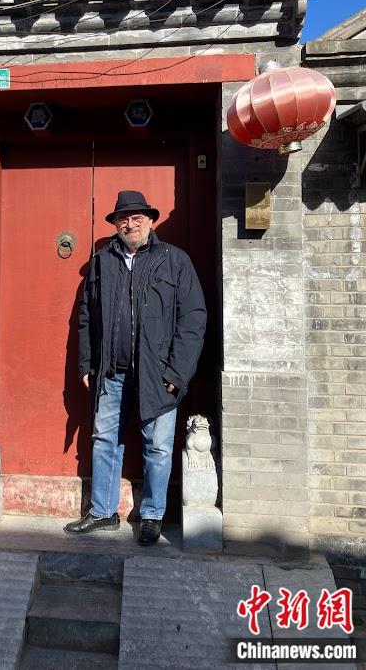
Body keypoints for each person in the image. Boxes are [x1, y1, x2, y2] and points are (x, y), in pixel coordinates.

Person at [64, 190, 207, 545]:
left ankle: (152, 515)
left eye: (137, 217)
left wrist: (177, 374)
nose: (130, 224)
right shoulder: (102, 262)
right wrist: (87, 363)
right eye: (123, 219)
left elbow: (192, 320)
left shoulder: (175, 261)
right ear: (115, 225)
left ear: (151, 221)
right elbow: (86, 315)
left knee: (158, 446)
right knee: (104, 440)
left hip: (159, 375)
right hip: (111, 373)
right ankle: (103, 511)